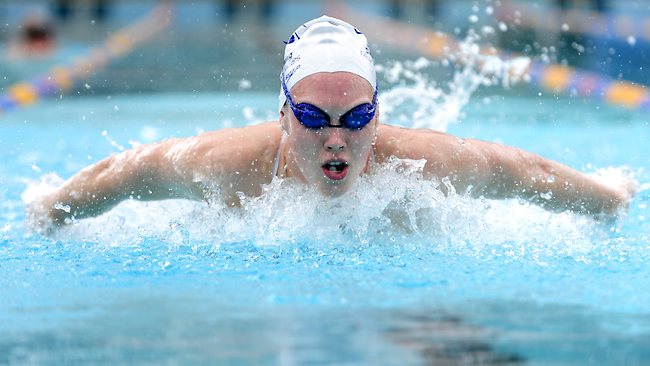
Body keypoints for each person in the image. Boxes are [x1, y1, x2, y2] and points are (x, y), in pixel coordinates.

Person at [28, 16, 634, 233]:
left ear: (380, 115)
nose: (337, 139)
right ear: (284, 117)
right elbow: (130, 172)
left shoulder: (421, 164)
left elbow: (525, 173)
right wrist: (51, 207)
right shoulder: (232, 165)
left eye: (357, 117)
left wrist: (609, 197)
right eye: (314, 118)